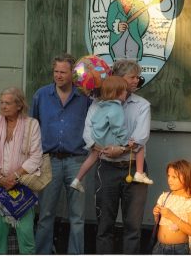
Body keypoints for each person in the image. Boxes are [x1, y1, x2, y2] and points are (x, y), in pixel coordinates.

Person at [83, 59, 151, 253]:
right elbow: (87, 133)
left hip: (133, 168)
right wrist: (104, 149)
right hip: (107, 169)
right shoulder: (98, 104)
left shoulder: (142, 105)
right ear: (118, 79)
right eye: (132, 77)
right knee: (104, 225)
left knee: (133, 226)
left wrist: (120, 149)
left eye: (138, 77)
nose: (137, 81)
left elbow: (141, 136)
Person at [32, 53, 91, 254]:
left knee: (77, 216)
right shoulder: (41, 95)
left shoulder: (85, 96)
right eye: (56, 71)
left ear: (72, 74)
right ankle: (42, 252)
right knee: (46, 213)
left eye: (63, 72)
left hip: (77, 161)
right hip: (49, 161)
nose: (58, 75)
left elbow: (93, 126)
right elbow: (34, 125)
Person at [0, 87, 42, 254]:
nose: (3, 106)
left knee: (26, 239)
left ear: (19, 105)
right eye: (1, 102)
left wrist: (14, 177)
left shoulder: (32, 124)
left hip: (22, 189)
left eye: (8, 103)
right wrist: (1, 178)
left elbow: (36, 157)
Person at [71, 76, 152, 192]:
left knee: (92, 157)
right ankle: (139, 173)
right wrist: (125, 142)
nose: (126, 92)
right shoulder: (116, 108)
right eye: (124, 90)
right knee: (139, 144)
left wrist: (96, 139)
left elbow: (95, 121)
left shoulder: (102, 105)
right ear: (118, 93)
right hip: (110, 142)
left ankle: (77, 180)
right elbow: (117, 127)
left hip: (98, 139)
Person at [152, 160, 191, 254]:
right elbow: (158, 222)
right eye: (168, 176)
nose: (169, 180)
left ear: (186, 178)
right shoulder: (164, 197)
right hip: (159, 247)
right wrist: (156, 214)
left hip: (178, 250)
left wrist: (171, 216)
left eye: (174, 177)